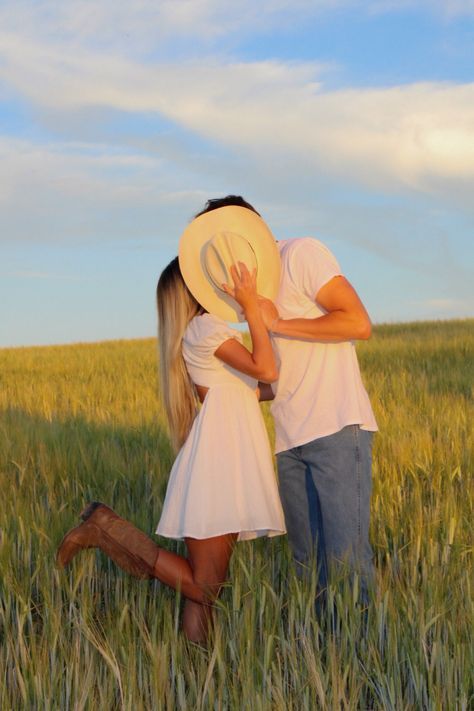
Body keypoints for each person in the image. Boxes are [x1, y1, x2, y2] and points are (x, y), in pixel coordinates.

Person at [57, 235, 285, 643]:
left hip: (228, 462)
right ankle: (105, 529)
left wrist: (271, 322)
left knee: (205, 592)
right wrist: (251, 307)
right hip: (219, 463)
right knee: (204, 586)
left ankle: (196, 677)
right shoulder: (204, 329)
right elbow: (266, 370)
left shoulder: (205, 334)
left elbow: (264, 386)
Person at [192, 196, 378, 605]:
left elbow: (358, 322)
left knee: (346, 562)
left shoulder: (301, 254)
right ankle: (321, 664)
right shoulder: (248, 299)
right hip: (289, 441)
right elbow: (276, 379)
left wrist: (277, 321)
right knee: (306, 564)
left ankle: (361, 663)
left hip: (337, 429)